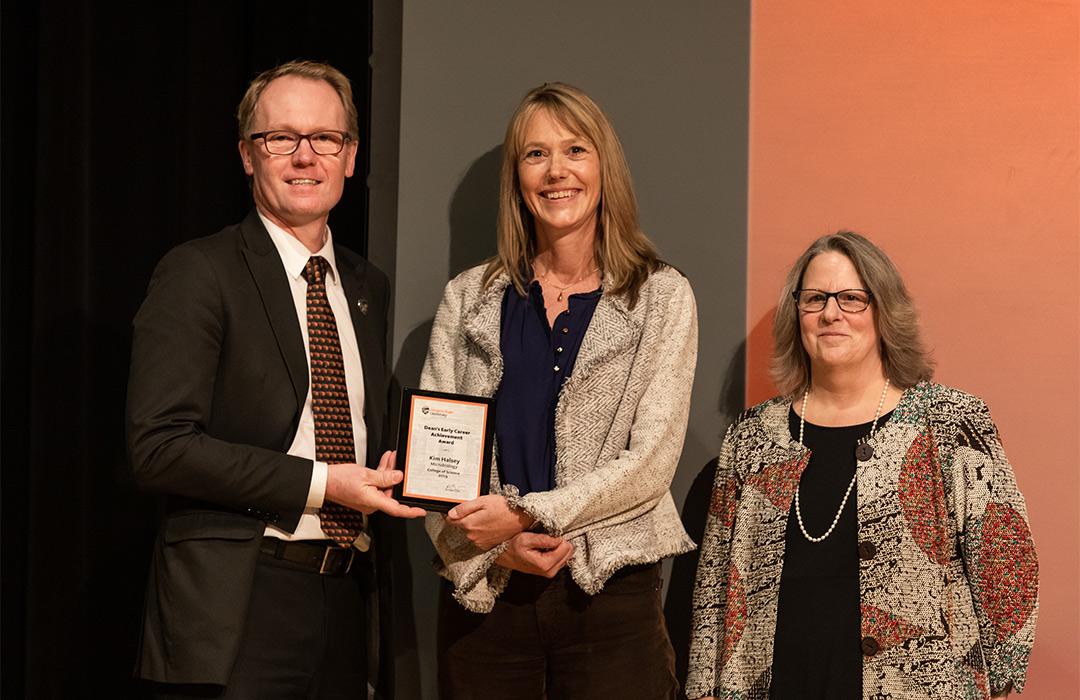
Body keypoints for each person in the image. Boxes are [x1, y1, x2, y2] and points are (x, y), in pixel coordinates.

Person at [127, 60, 424, 699]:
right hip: (240, 604)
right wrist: (324, 484)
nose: (303, 157)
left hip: (347, 595)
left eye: (325, 139)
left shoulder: (366, 284)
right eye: (279, 138)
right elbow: (159, 448)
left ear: (351, 157)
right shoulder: (199, 272)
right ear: (246, 155)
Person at [419, 82, 698, 698]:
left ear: (604, 168)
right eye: (535, 154)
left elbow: (651, 461)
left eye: (575, 150)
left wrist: (527, 514)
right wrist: (492, 548)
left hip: (610, 597)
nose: (556, 171)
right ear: (516, 177)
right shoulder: (469, 297)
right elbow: (435, 469)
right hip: (488, 595)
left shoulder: (661, 295)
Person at [686, 231, 1038, 700]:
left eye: (851, 298)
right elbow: (714, 581)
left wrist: (1000, 680)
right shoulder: (751, 438)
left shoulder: (949, 425)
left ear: (882, 310)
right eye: (815, 299)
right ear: (798, 313)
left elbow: (1006, 558)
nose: (831, 313)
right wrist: (704, 686)